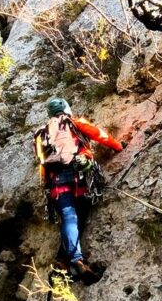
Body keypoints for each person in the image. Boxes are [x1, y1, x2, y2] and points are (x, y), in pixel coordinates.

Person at [34, 97, 125, 284]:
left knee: (68, 216)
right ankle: (76, 260)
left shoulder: (42, 133)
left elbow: (42, 161)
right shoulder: (74, 123)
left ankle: (64, 261)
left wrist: (47, 184)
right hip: (78, 176)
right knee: (79, 213)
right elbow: (99, 135)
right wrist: (118, 146)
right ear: (66, 109)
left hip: (55, 181)